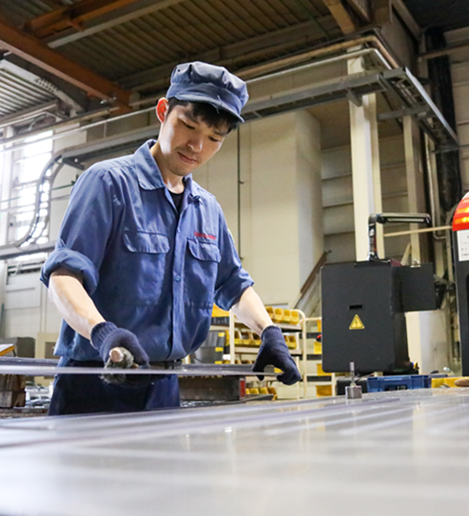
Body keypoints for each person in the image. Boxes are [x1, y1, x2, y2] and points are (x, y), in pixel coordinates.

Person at [40, 62, 301, 415]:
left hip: (165, 386)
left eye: (214, 139)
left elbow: (233, 285)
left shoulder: (207, 209)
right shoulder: (108, 184)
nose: (197, 146)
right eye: (188, 126)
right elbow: (64, 277)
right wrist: (103, 334)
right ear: (163, 111)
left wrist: (269, 332)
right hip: (95, 380)